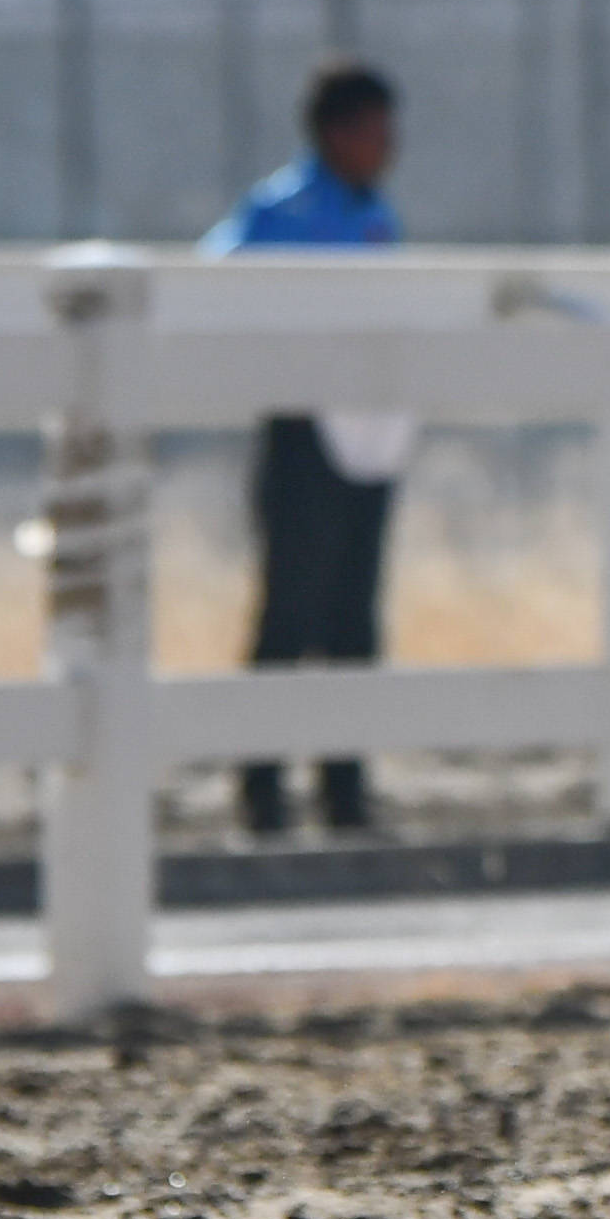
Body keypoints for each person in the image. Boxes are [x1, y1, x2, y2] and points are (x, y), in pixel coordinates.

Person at [200, 58, 412, 841]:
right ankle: (261, 793)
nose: (387, 145)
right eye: (373, 129)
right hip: (301, 426)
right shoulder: (284, 209)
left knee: (354, 616)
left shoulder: (373, 211)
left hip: (365, 427)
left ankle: (344, 793)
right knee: (289, 614)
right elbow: (214, 278)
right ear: (334, 133)